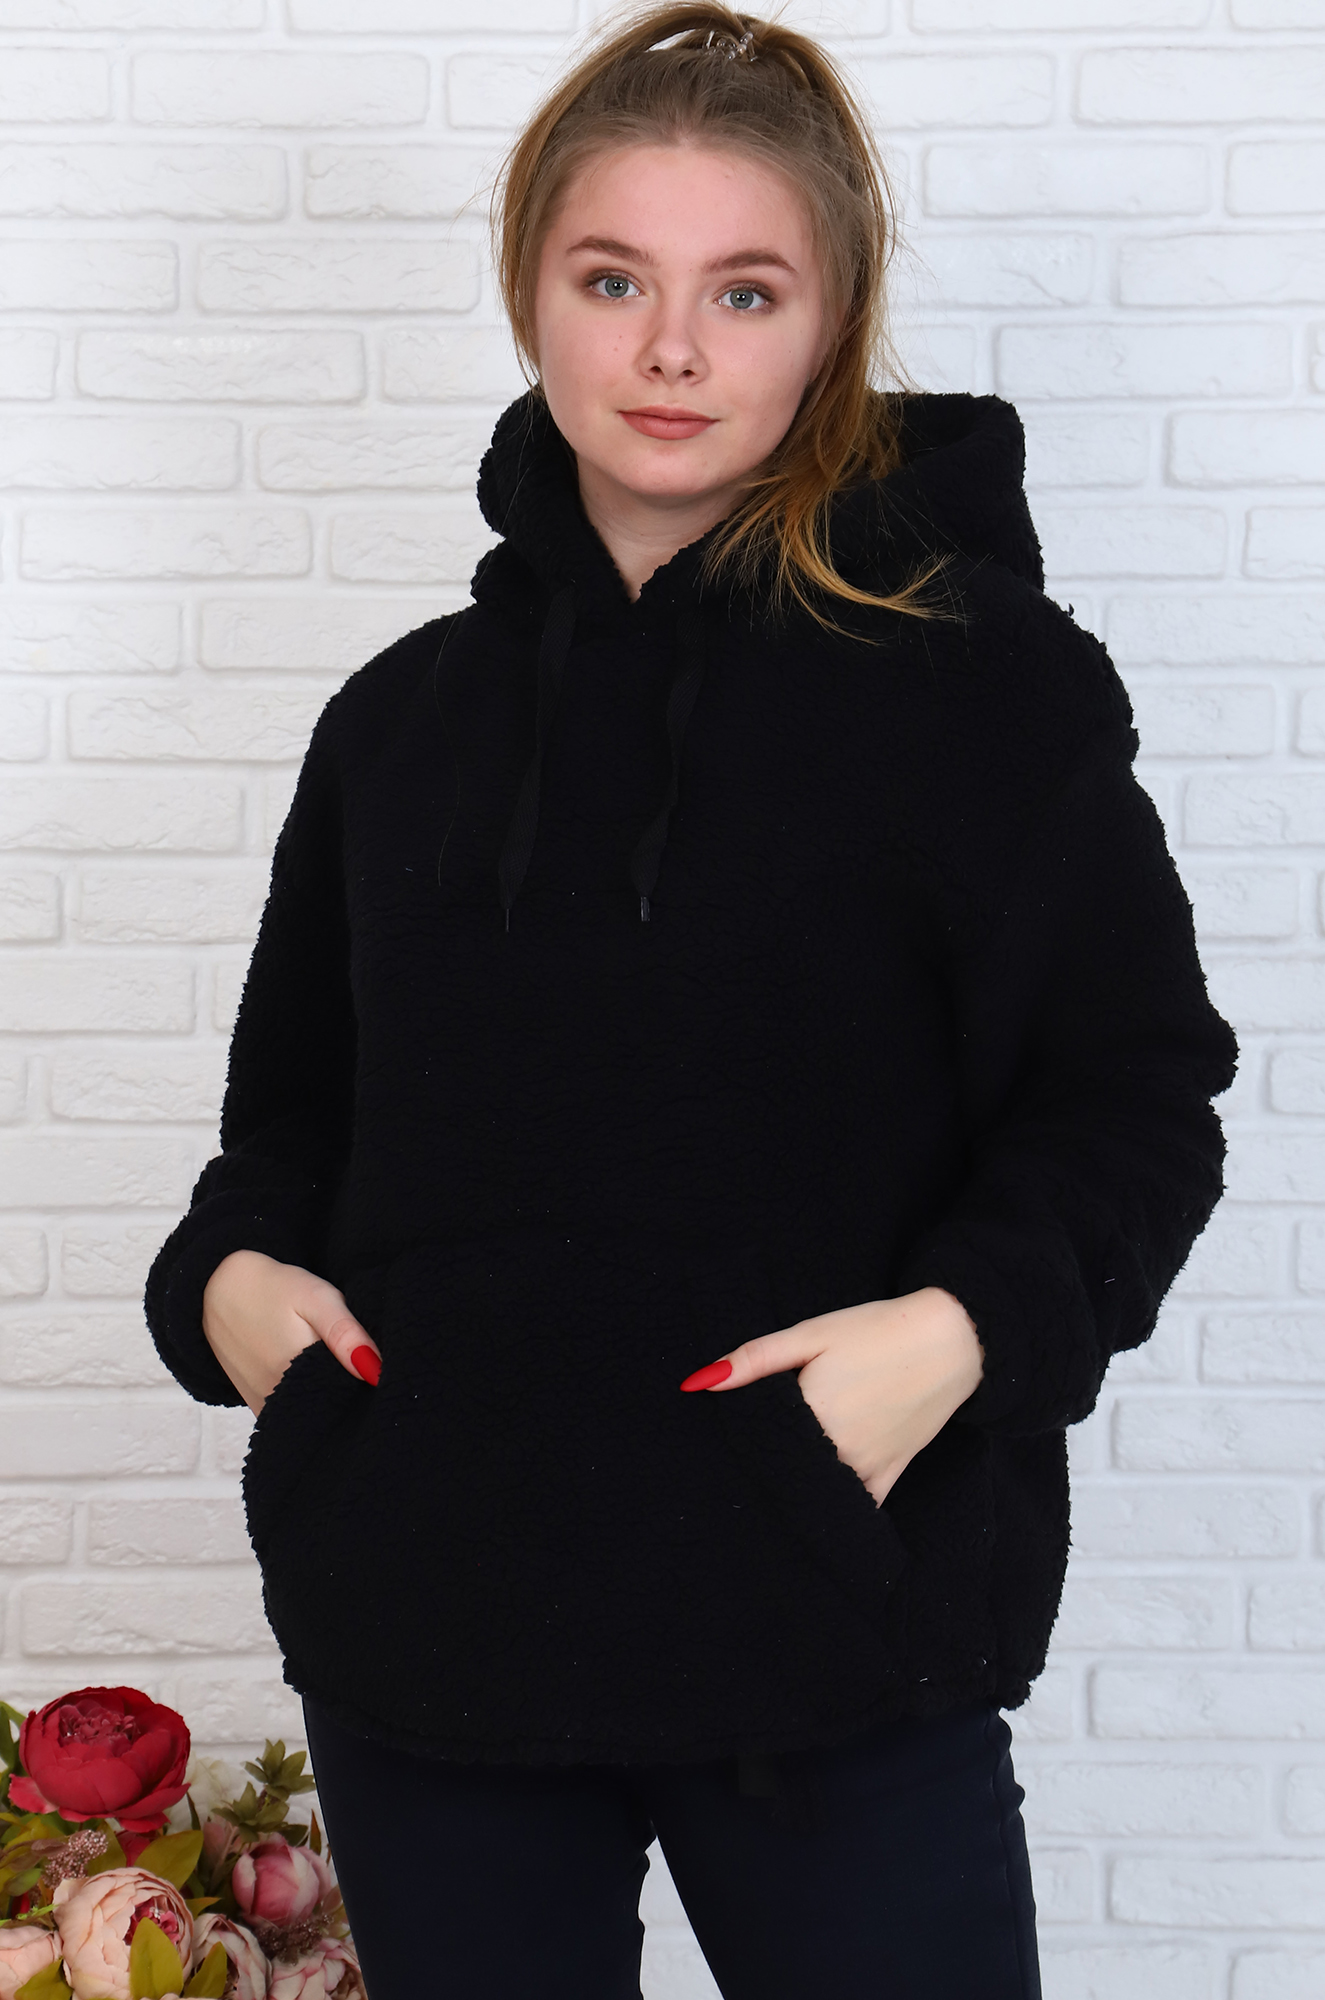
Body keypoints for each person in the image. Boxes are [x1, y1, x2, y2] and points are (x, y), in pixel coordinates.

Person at [145, 7, 1239, 1996]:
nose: (670, 349)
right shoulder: (400, 726)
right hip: (433, 1633)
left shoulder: (982, 691)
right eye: (612, 280)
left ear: (828, 324)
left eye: (743, 290)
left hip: (840, 1627)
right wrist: (229, 1287)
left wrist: (947, 1341)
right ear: (530, 296)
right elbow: (293, 1121)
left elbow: (1134, 1098)